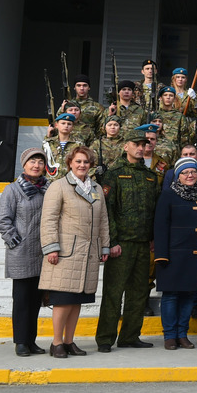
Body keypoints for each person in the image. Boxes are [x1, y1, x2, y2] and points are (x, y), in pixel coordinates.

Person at [39, 145, 110, 358]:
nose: (82, 165)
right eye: (78, 161)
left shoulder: (96, 189)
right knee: (62, 300)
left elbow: (103, 220)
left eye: (86, 162)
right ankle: (56, 342)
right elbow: (49, 219)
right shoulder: (59, 186)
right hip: (65, 253)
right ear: (70, 162)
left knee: (77, 300)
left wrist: (104, 245)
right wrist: (51, 247)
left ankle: (69, 341)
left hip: (88, 253)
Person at [95, 126, 161, 353]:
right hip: (121, 244)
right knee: (114, 292)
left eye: (144, 145)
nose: (141, 148)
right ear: (126, 146)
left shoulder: (151, 176)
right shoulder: (113, 174)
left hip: (143, 243)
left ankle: (130, 336)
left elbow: (154, 211)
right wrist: (111, 242)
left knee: (139, 292)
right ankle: (105, 338)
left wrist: (153, 238)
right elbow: (108, 211)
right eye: (136, 144)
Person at [0, 148, 51, 357]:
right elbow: (2, 220)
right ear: (24, 164)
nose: (36, 165)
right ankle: (20, 341)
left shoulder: (49, 189)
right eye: (32, 161)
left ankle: (31, 340)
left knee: (36, 301)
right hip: (21, 253)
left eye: (39, 162)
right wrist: (15, 241)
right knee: (21, 301)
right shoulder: (13, 190)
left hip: (42, 253)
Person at [152, 157, 197, 350]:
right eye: (185, 172)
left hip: (195, 256)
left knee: (188, 296)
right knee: (170, 295)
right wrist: (161, 254)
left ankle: (182, 334)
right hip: (172, 254)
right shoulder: (168, 194)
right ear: (178, 176)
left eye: (193, 172)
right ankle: (170, 335)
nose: (190, 175)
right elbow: (160, 226)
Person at [43, 112, 83, 182]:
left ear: (72, 127)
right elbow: (43, 164)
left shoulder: (78, 145)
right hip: (51, 183)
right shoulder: (48, 143)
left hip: (71, 182)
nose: (66, 126)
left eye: (69, 124)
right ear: (56, 125)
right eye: (63, 123)